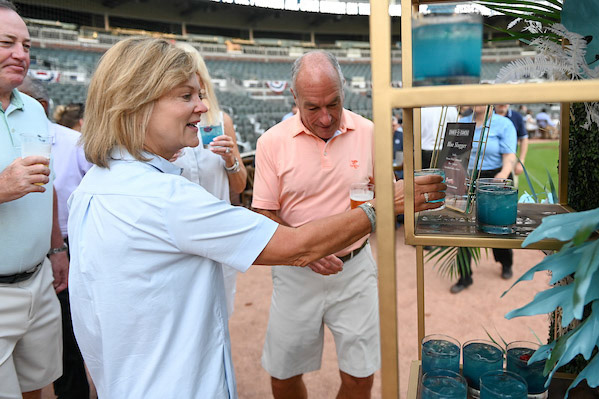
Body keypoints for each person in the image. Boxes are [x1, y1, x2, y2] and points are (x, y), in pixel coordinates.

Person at [67, 37, 446, 398]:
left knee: (359, 371)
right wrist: (382, 207)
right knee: (284, 371)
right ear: (137, 104)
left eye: (199, 94)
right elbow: (295, 246)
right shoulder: (167, 199)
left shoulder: (93, 188)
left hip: (130, 382)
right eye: (187, 96)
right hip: (177, 384)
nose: (202, 106)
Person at [251, 50, 381, 399]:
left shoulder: (370, 132)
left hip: (355, 271)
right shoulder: (271, 142)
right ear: (294, 97)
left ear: (344, 91)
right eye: (313, 107)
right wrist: (305, 250)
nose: (326, 118)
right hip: (295, 275)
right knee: (283, 375)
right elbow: (263, 213)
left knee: (360, 376)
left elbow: (386, 197)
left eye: (334, 104)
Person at [0, 2, 68, 398]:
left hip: (39, 279)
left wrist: (56, 248)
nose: (21, 54)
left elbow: (51, 186)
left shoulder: (34, 112)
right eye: (7, 42)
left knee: (41, 389)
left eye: (26, 44)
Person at [18, 76, 94, 399]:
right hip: (31, 251)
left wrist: (62, 248)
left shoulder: (73, 142)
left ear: (42, 107)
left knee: (76, 332)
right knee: (51, 339)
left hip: (71, 247)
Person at [172, 42, 247, 318]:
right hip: (180, 243)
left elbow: (239, 187)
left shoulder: (220, 120)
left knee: (221, 315)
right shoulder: (162, 127)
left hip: (219, 239)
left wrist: (230, 161)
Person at [450, 105, 517, 294]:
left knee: (498, 227)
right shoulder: (462, 124)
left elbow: (509, 155)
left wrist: (503, 174)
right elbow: (454, 154)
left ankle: (505, 262)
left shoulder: (503, 124)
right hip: (466, 178)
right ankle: (464, 276)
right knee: (463, 229)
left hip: (496, 177)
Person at [494, 103, 528, 175]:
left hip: (510, 159)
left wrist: (521, 161)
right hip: (489, 161)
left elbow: (524, 138)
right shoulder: (486, 116)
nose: (503, 103)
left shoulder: (516, 116)